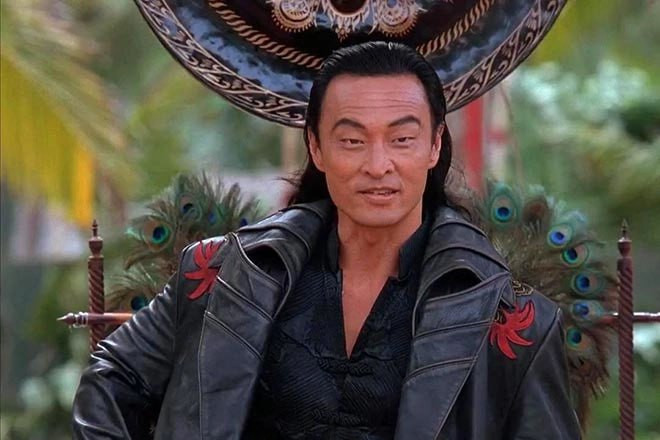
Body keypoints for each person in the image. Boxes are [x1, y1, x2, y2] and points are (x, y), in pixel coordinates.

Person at [72, 42, 581, 439]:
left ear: (433, 146)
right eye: (352, 140)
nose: (378, 165)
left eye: (401, 139)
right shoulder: (223, 274)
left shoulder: (516, 322)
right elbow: (113, 378)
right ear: (316, 147)